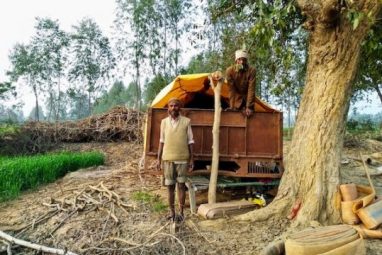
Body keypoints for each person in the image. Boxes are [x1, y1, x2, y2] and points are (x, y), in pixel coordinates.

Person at [157, 97, 194, 221]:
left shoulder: (186, 121)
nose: (174, 108)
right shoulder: (164, 122)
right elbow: (161, 141)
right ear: (168, 108)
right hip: (167, 159)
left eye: (176, 106)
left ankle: (181, 213)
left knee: (181, 186)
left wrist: (192, 159)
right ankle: (172, 212)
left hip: (182, 159)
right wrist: (158, 159)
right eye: (171, 106)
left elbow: (190, 141)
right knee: (170, 187)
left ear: (180, 108)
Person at [225, 49, 256, 117]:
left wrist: (249, 107)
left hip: (248, 100)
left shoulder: (252, 70)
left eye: (244, 60)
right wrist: (232, 107)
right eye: (239, 59)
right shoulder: (229, 71)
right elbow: (231, 90)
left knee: (250, 116)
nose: (241, 62)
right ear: (236, 60)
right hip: (236, 101)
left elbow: (251, 89)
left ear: (246, 61)